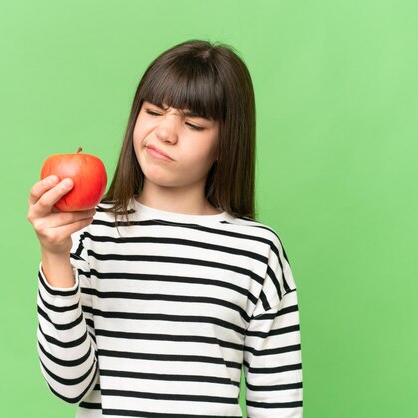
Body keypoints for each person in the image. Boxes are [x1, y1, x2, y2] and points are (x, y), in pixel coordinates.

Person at [27, 39, 303, 417]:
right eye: (154, 111)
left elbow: (278, 404)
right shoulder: (89, 231)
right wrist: (55, 258)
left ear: (225, 143)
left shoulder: (258, 251)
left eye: (193, 123)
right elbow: (69, 384)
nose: (165, 133)